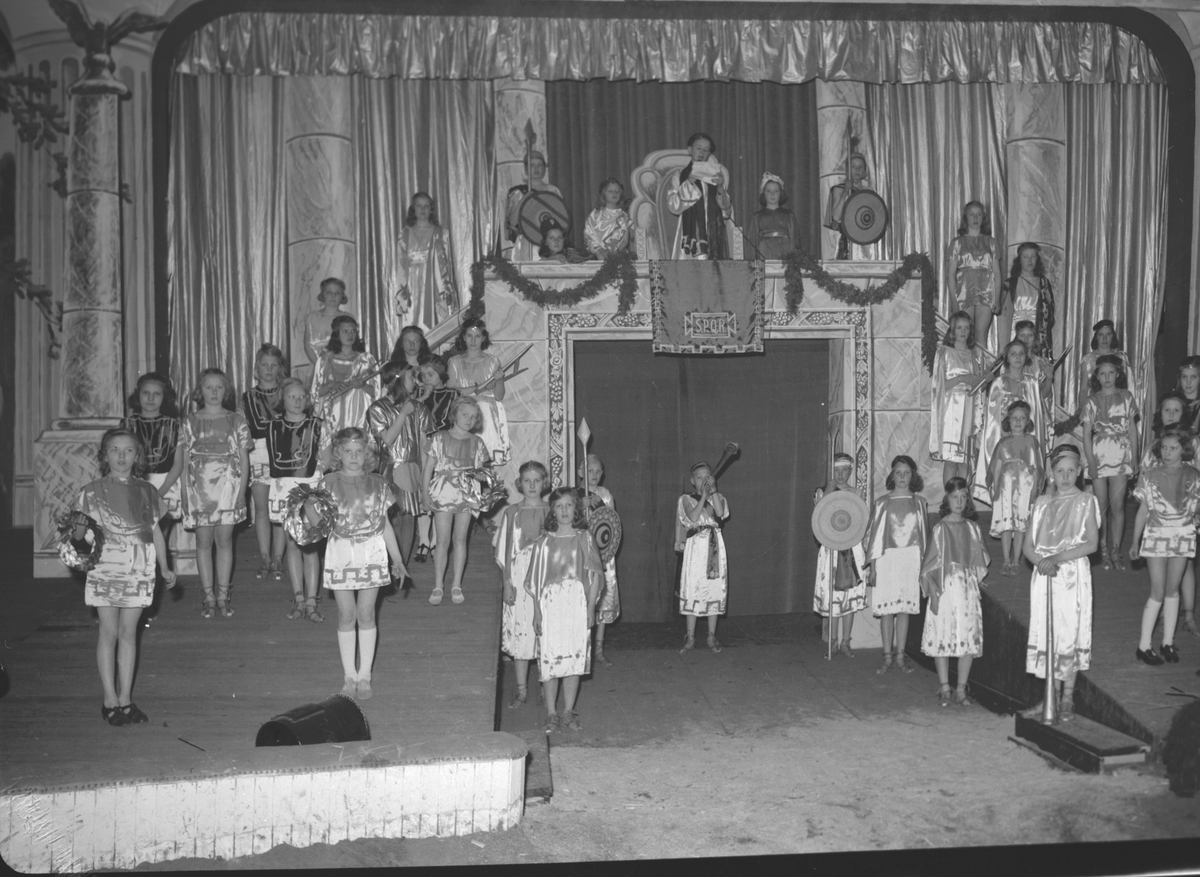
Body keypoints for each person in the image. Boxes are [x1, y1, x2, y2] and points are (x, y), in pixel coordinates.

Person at [71, 429, 175, 725]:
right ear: (104, 455)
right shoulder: (91, 491)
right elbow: (77, 535)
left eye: (128, 450)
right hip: (106, 566)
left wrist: (165, 566)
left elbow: (156, 532)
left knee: (129, 633)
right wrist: (77, 530)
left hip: (138, 567)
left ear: (137, 456)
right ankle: (109, 699)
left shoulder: (147, 491)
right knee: (109, 631)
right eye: (114, 450)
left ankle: (126, 698)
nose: (121, 456)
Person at [308, 427, 406, 700]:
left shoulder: (378, 484)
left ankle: (365, 676)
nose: (354, 456)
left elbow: (385, 525)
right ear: (337, 453)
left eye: (359, 451)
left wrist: (397, 558)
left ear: (367, 454)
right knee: (346, 615)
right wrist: (308, 508)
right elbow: (319, 526)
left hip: (371, 553)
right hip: (340, 552)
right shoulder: (327, 483)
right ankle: (349, 675)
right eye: (348, 451)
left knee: (366, 614)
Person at [1021, 444, 1100, 722]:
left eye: (1070, 471)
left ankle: (1067, 697)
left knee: (1069, 631)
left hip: (1071, 574)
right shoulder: (1042, 503)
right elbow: (1028, 546)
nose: (1065, 477)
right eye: (1059, 471)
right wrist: (1041, 561)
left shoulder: (1086, 501)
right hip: (1045, 575)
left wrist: (1056, 558)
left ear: (1079, 472)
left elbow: (1091, 544)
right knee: (1047, 631)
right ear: (1051, 473)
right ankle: (1049, 697)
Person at [525, 486, 604, 732]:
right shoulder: (543, 543)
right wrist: (537, 613)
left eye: (569, 505)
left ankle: (569, 710)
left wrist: (590, 608)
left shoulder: (585, 539)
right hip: (551, 607)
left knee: (573, 658)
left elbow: (595, 577)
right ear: (552, 511)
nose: (564, 510)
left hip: (576, 605)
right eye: (559, 506)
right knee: (550, 659)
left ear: (576, 508)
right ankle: (551, 713)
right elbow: (535, 582)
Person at [181, 368, 252, 619]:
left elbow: (244, 461)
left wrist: (241, 492)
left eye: (219, 387)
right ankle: (208, 596)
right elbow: (184, 461)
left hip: (228, 486)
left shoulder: (237, 420)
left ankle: (223, 595)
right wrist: (184, 493)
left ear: (226, 391)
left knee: (224, 540)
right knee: (203, 542)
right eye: (208, 387)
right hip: (199, 488)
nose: (214, 392)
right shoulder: (190, 421)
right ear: (200, 391)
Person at [1130, 428, 1200, 665]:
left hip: (1183, 535)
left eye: (1173, 448)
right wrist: (1135, 540)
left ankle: (1167, 642)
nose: (1167, 452)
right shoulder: (1150, 475)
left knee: (1173, 589)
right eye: (1164, 448)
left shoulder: (1194, 475)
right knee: (1157, 591)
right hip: (1156, 535)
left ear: (1184, 450)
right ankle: (1144, 645)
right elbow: (1143, 511)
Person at [920, 477, 989, 707]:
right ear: (947, 499)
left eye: (963, 497)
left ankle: (961, 688)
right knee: (942, 636)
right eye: (954, 497)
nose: (959, 502)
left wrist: (975, 580)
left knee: (966, 637)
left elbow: (979, 560)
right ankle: (944, 687)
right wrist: (934, 594)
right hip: (946, 589)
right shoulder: (940, 529)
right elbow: (929, 566)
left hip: (967, 590)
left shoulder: (972, 528)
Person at [122, 372, 184, 620]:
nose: (150, 398)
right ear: (137, 396)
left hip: (164, 486)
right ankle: (135, 600)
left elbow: (178, 464)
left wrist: (159, 492)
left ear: (164, 397)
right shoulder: (128, 424)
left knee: (157, 546)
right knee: (137, 546)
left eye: (156, 394)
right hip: (135, 485)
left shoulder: (174, 425)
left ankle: (150, 604)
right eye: (145, 393)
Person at [863, 455, 928, 675]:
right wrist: (873, 567)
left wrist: (924, 568)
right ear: (892, 475)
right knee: (887, 611)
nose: (902, 477)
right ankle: (887, 656)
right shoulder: (883, 502)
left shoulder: (919, 503)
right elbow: (874, 537)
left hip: (910, 559)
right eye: (898, 472)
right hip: (887, 559)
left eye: (906, 472)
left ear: (913, 475)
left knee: (904, 609)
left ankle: (900, 656)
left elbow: (924, 538)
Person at [422, 397, 490, 605]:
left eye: (474, 417)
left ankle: (456, 584)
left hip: (467, 492)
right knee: (442, 540)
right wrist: (425, 494)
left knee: (460, 539)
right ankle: (438, 585)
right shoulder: (439, 438)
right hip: (443, 491)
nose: (469, 419)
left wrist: (482, 479)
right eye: (465, 414)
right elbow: (428, 468)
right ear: (454, 414)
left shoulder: (477, 442)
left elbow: (481, 471)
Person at [267, 377, 323, 622]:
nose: (298, 401)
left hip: (309, 485)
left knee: (309, 545)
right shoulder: (273, 426)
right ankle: (298, 597)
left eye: (302, 396)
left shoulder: (318, 425)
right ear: (283, 399)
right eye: (292, 396)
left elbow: (326, 456)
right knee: (291, 543)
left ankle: (311, 601)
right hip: (284, 487)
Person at [495, 461, 549, 710]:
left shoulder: (552, 511)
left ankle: (545, 685)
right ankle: (521, 689)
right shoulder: (512, 512)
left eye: (537, 480)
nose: (532, 485)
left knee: (544, 631)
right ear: (520, 483)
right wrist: (507, 583)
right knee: (521, 632)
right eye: (527, 480)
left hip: (544, 578)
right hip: (518, 577)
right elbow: (505, 551)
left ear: (544, 483)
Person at [367, 363, 431, 567]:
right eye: (411, 377)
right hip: (390, 469)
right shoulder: (378, 408)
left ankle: (402, 565)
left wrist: (425, 475)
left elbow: (424, 444)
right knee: (394, 516)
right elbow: (387, 439)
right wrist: (402, 414)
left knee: (410, 515)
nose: (416, 382)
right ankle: (394, 563)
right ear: (397, 379)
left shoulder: (418, 407)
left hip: (413, 469)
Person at [1148, 386, 1200, 638]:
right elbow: (1147, 475)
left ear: (1184, 414)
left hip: (1186, 513)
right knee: (1161, 564)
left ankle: (1188, 614)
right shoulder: (1157, 444)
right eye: (1166, 410)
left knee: (1185, 563)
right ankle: (1162, 610)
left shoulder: (1193, 443)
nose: (1171, 414)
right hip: (1160, 517)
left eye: (1176, 410)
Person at [1082, 354, 1140, 570]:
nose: (1107, 377)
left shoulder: (1126, 397)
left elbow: (1132, 429)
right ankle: (1103, 548)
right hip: (1099, 453)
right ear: (1097, 376)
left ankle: (1116, 549)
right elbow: (1086, 434)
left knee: (1118, 505)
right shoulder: (1093, 400)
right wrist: (1091, 461)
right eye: (1102, 373)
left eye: (1111, 373)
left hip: (1121, 453)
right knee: (1102, 504)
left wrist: (1134, 457)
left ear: (1118, 374)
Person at [972, 340, 1043, 506]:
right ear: (1007, 358)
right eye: (1013, 354)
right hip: (1005, 439)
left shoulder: (1032, 383)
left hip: (1026, 441)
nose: (1018, 357)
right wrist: (1003, 437)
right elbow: (993, 417)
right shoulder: (999, 383)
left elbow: (1036, 416)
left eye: (1021, 354)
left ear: (1026, 357)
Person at [812, 453, 867, 657]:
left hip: (852, 549)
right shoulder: (823, 492)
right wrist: (828, 491)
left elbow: (860, 521)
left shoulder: (857, 493)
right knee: (833, 597)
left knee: (849, 597)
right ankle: (833, 641)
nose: (840, 474)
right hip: (831, 549)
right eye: (836, 470)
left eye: (844, 470)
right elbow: (819, 517)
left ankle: (846, 641)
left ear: (850, 471)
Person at [675, 461, 730, 653]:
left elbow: (720, 513)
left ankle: (711, 636)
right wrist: (704, 496)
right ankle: (690, 637)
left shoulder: (719, 497)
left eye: (707, 477)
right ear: (692, 480)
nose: (703, 481)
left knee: (713, 589)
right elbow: (693, 517)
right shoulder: (686, 498)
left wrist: (712, 492)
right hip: (696, 548)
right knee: (693, 588)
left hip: (715, 546)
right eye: (699, 478)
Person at [313, 314, 379, 468]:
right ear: (337, 334)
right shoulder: (324, 360)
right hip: (332, 417)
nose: (350, 335)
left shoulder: (366, 360)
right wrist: (331, 385)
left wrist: (362, 385)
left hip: (359, 416)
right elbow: (315, 393)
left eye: (353, 331)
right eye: (345, 331)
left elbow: (377, 393)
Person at [930, 311, 988, 486]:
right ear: (952, 330)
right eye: (959, 328)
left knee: (965, 461)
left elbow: (979, 388)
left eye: (967, 328)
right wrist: (961, 378)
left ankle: (964, 496)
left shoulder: (976, 354)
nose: (963, 331)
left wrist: (985, 381)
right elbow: (939, 387)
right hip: (950, 412)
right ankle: (949, 497)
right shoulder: (943, 352)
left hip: (969, 410)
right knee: (951, 460)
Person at [243, 343, 286, 581]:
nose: (269, 369)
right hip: (258, 452)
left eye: (274, 365)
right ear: (256, 368)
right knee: (261, 509)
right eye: (264, 365)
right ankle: (264, 557)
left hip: (284, 452)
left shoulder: (287, 391)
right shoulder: (247, 397)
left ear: (280, 368)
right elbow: (245, 428)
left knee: (280, 509)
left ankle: (278, 558)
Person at [411, 354, 459, 563]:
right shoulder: (418, 395)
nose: (426, 379)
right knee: (423, 489)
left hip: (444, 447)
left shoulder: (452, 394)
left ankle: (437, 541)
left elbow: (453, 421)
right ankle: (423, 540)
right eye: (423, 375)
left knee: (439, 491)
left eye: (430, 374)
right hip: (422, 446)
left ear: (441, 374)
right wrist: (423, 396)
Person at [989, 400, 1044, 577]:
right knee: (1006, 525)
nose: (1018, 421)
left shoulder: (1032, 441)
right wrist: (995, 489)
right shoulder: (1002, 443)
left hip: (1025, 488)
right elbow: (997, 467)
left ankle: (1016, 560)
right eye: (1014, 418)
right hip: (1006, 488)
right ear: (1008, 421)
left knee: (1020, 525)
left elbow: (1036, 467)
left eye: (1022, 418)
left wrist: (1035, 488)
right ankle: (1006, 559)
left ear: (1028, 422)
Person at [447, 318, 509, 467]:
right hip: (463, 414)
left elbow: (499, 396)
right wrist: (476, 389)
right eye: (469, 336)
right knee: (463, 458)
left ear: (484, 338)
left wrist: (500, 380)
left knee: (485, 461)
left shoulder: (493, 361)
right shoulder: (454, 362)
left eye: (478, 336)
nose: (473, 341)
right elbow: (450, 392)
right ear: (464, 337)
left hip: (487, 416)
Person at [395, 193, 457, 332]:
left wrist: (448, 292)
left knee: (436, 326)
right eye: (419, 206)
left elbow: (447, 266)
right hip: (412, 288)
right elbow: (401, 267)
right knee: (413, 326)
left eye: (426, 206)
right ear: (413, 209)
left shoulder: (442, 233)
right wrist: (401, 296)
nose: (422, 209)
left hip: (435, 286)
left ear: (431, 209)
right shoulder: (405, 234)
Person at [578, 454, 619, 666]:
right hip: (582, 553)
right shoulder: (573, 494)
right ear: (580, 472)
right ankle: (581, 648)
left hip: (603, 553)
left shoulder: (605, 494)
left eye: (597, 471)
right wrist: (579, 505)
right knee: (583, 599)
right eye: (590, 471)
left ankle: (599, 649)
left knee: (602, 599)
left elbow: (610, 523)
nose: (594, 475)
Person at [945, 200, 1003, 344]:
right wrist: (953, 299)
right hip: (964, 292)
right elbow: (951, 274)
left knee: (981, 335)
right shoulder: (957, 242)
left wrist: (997, 298)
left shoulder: (992, 242)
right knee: (965, 335)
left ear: (983, 218)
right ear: (966, 218)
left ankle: (981, 360)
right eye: (971, 214)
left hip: (986, 292)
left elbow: (997, 273)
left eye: (979, 214)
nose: (975, 218)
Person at [666, 133, 731, 260]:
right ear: (690, 150)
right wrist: (690, 181)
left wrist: (720, 187)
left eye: (706, 150)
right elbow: (673, 206)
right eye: (699, 148)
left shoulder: (714, 175)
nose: (702, 153)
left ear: (709, 154)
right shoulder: (679, 175)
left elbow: (727, 212)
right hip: (689, 234)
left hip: (713, 232)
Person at [506, 150, 562, 263]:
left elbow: (560, 220)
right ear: (526, 168)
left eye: (539, 165)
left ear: (544, 168)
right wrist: (525, 199)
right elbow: (512, 222)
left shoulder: (553, 191)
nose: (536, 169)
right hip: (525, 242)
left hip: (548, 242)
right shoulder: (518, 192)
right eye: (532, 165)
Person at [1000, 243, 1055, 355]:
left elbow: (1049, 312)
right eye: (1025, 257)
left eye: (1033, 256)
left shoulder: (1044, 282)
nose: (1030, 260)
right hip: (1015, 329)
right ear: (1019, 259)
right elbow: (1003, 314)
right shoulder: (1010, 283)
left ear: (1037, 259)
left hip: (1037, 330)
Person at [1078, 320, 1137, 415]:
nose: (1104, 338)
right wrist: (1081, 410)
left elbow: (1129, 385)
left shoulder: (1122, 357)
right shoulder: (1088, 360)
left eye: (1108, 334)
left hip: (1118, 408)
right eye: (1101, 335)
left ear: (1113, 336)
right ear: (1096, 337)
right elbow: (1084, 389)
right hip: (1095, 407)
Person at [1015, 321, 1055, 448]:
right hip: (1016, 413)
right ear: (1016, 337)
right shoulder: (1010, 362)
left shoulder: (1042, 363)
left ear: (1035, 339)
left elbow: (1044, 395)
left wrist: (1049, 378)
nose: (1026, 339)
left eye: (1030, 336)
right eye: (1022, 335)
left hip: (1035, 412)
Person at [823, 152, 869, 260]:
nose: (857, 170)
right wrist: (845, 192)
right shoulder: (838, 189)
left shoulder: (869, 192)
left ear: (864, 171)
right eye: (853, 166)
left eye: (860, 167)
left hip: (865, 240)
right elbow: (836, 217)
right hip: (846, 238)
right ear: (847, 170)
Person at [303, 278, 350, 382]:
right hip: (318, 363)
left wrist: (342, 364)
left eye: (337, 293)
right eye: (329, 292)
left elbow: (351, 343)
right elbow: (307, 345)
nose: (333, 296)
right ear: (322, 295)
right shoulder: (312, 317)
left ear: (342, 296)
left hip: (342, 364)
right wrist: (320, 365)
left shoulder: (347, 318)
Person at [745, 173, 798, 261]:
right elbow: (752, 245)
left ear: (780, 193)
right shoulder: (757, 217)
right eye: (768, 191)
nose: (772, 194)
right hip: (764, 254)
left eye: (776, 191)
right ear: (763, 194)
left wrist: (793, 263)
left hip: (785, 257)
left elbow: (794, 242)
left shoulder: (789, 215)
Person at [583, 177, 634, 259]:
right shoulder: (595, 215)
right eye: (610, 191)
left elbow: (625, 241)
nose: (614, 194)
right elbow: (588, 237)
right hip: (597, 256)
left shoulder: (624, 216)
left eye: (617, 191)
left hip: (617, 256)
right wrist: (599, 251)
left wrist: (615, 252)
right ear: (604, 194)